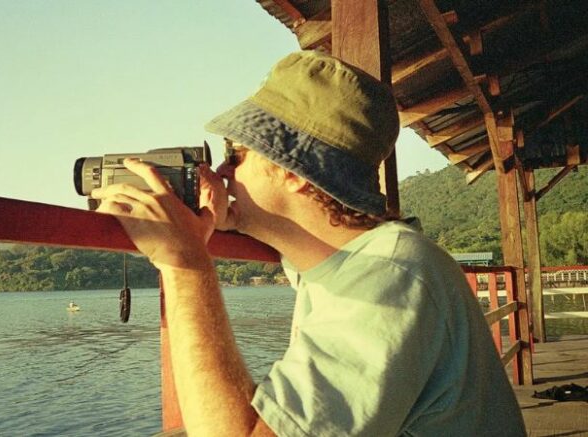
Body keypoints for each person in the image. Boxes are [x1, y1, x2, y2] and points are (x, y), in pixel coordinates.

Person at [92, 50, 525, 436]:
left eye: (236, 155)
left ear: (294, 173)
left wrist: (184, 263)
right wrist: (221, 219)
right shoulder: (346, 260)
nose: (222, 172)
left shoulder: (391, 273)